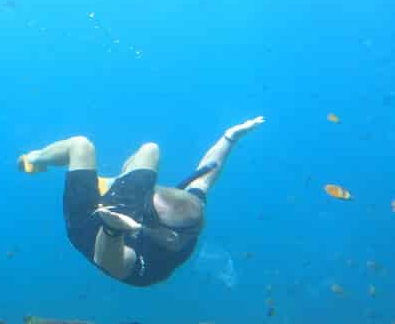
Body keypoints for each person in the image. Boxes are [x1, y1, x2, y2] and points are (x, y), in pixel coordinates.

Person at [16, 116, 264, 286]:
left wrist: (112, 230)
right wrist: (229, 138)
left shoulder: (150, 263)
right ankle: (112, 183)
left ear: (169, 235)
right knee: (151, 149)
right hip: (133, 209)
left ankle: (34, 159)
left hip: (94, 225)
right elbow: (205, 177)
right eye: (148, 196)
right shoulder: (189, 215)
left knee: (79, 146)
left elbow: (108, 262)